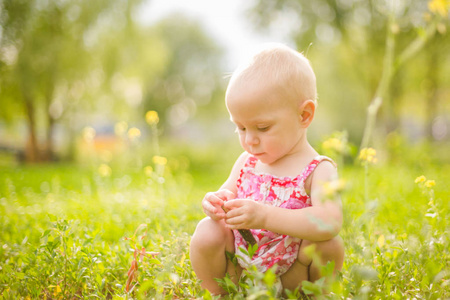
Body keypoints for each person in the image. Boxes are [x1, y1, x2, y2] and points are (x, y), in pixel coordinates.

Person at [190, 43, 344, 296]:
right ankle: (219, 292)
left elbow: (330, 221)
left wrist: (265, 216)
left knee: (329, 245)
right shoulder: (247, 162)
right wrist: (215, 203)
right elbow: (226, 195)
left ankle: (315, 295)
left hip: (295, 275)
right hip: (241, 269)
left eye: (262, 128)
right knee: (208, 230)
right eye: (240, 128)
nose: (249, 140)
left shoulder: (319, 169)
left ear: (304, 115)